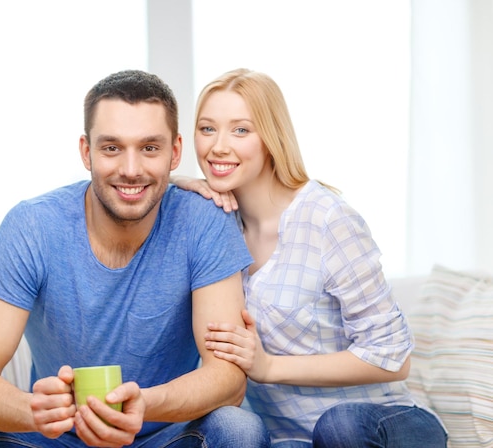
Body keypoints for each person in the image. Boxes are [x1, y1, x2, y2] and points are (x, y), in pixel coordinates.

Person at [0, 69, 270, 448]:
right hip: (53, 439)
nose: (131, 169)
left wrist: (146, 404)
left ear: (175, 152)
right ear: (86, 151)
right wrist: (32, 410)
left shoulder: (204, 222)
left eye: (150, 148)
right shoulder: (33, 225)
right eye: (111, 148)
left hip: (163, 436)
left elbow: (228, 378)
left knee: (239, 429)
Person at [173, 68, 448, 447]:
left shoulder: (326, 218)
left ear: (270, 138)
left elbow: (393, 358)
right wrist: (179, 182)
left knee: (339, 426)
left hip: (384, 424)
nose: (218, 146)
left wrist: (269, 367)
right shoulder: (217, 224)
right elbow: (132, 177)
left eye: (240, 130)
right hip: (293, 438)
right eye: (207, 129)